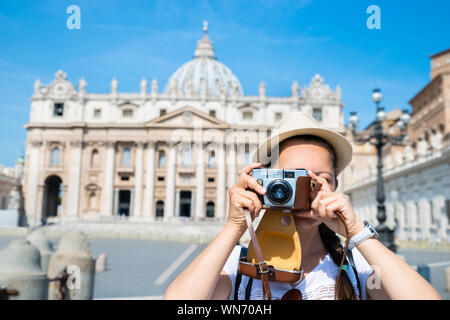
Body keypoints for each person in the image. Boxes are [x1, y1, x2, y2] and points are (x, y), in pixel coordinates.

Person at [164, 112, 441, 300]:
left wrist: (356, 232)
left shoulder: (357, 267)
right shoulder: (237, 266)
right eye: (294, 178)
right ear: (268, 184)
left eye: (322, 179)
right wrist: (234, 227)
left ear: (336, 186)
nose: (310, 189)